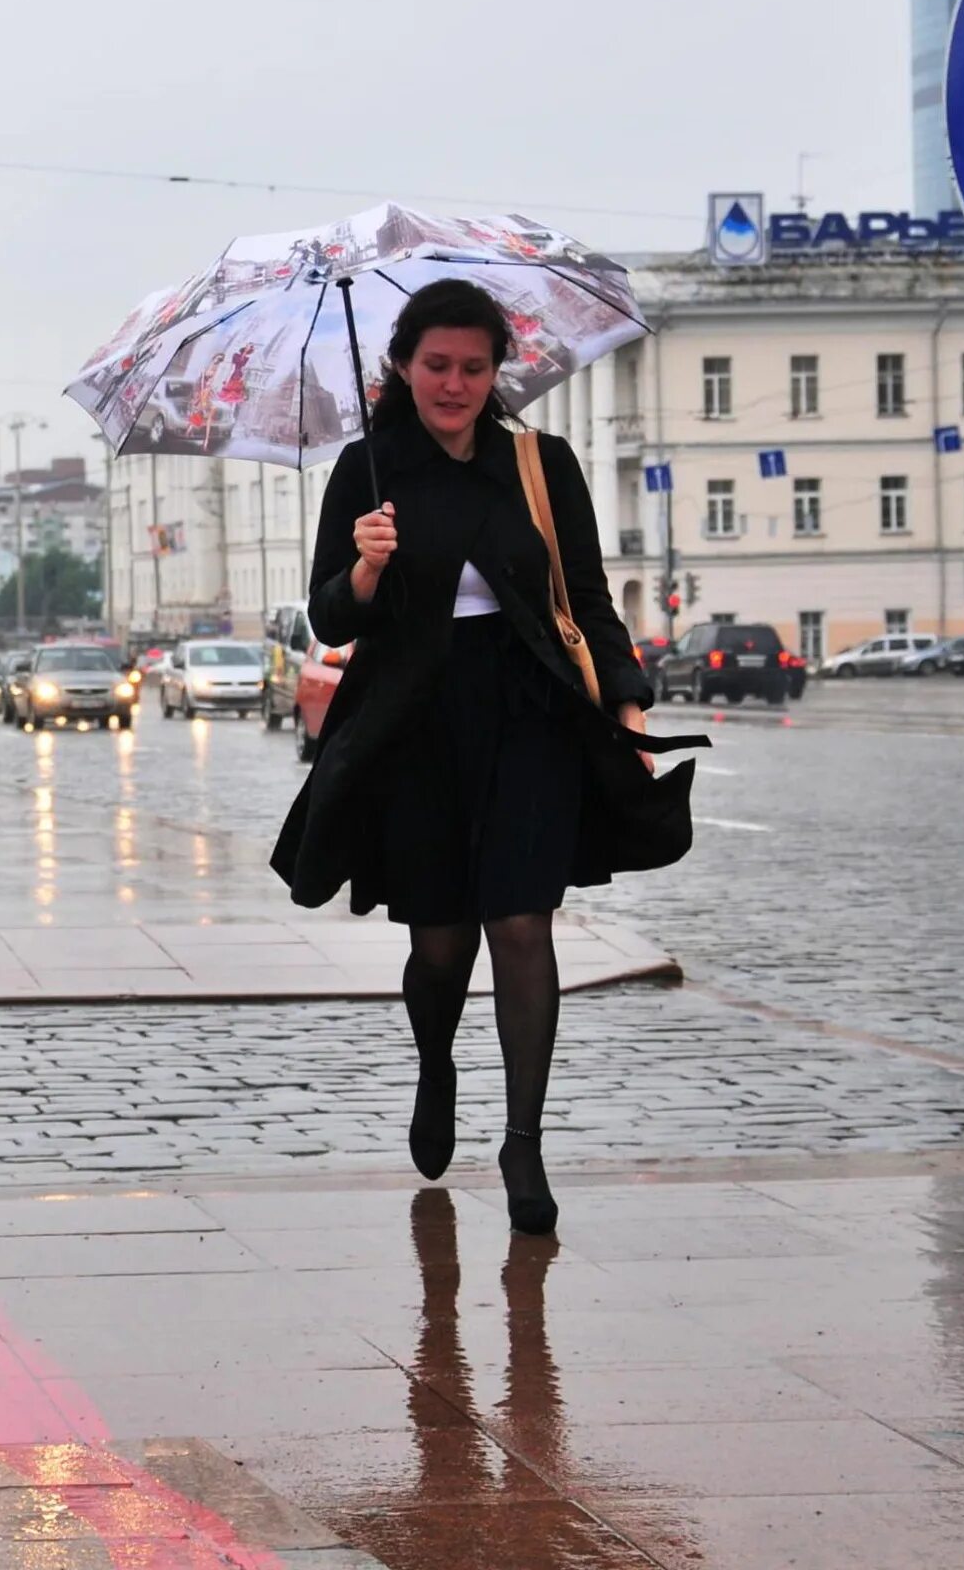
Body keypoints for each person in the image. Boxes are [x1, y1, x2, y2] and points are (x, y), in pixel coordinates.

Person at [270, 279, 652, 1238]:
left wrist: (631, 708)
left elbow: (588, 596)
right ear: (402, 365)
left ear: (497, 372)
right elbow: (328, 616)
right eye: (436, 365)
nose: (454, 383)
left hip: (529, 711)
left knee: (523, 925)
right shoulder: (367, 469)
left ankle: (524, 1138)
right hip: (416, 720)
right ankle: (436, 1062)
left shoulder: (540, 463)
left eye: (474, 367)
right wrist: (364, 564)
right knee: (441, 943)